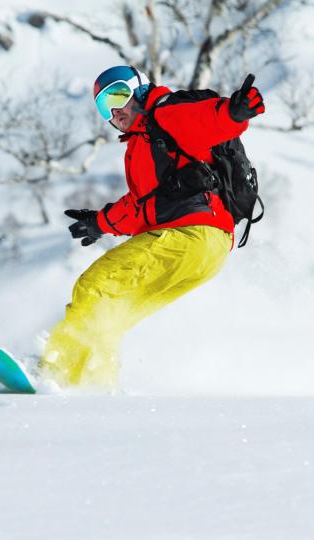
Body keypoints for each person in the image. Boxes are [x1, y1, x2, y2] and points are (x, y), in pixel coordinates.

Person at [37, 65, 265, 388]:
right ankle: (94, 385)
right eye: (104, 106)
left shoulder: (165, 115)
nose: (114, 110)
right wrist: (99, 222)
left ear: (140, 91)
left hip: (191, 233)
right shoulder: (141, 147)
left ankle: (54, 372)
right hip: (206, 248)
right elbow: (141, 207)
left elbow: (208, 120)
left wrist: (236, 111)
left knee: (95, 286)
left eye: (118, 95)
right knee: (112, 312)